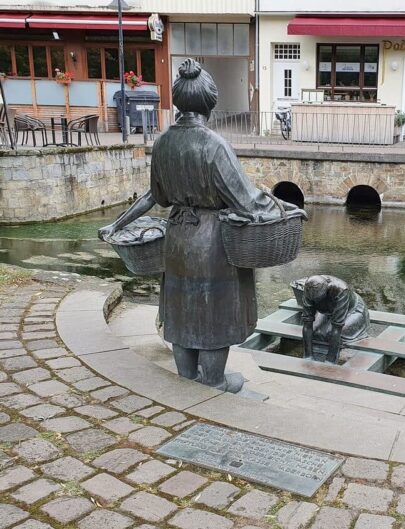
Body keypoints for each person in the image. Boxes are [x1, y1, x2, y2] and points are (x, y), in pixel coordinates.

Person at [98, 59, 302, 393]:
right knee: (215, 310)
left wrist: (116, 224)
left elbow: (154, 196)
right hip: (212, 242)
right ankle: (214, 380)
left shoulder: (163, 142)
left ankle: (187, 378)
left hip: (177, 237)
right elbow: (246, 201)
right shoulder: (214, 145)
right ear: (210, 101)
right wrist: (287, 208)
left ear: (179, 100)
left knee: (181, 308)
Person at [301, 275, 369, 364]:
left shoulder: (341, 289)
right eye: (315, 300)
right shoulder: (308, 290)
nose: (316, 302)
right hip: (327, 311)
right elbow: (307, 323)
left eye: (319, 298)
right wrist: (308, 356)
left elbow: (337, 327)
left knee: (331, 333)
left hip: (352, 310)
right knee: (316, 332)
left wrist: (330, 361)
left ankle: (332, 355)